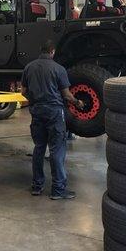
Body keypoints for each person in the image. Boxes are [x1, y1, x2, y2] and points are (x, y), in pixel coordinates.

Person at [21, 40, 84, 200]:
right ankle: (58, 190)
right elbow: (67, 95)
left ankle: (37, 186)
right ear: (53, 51)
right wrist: (78, 102)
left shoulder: (29, 67)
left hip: (36, 111)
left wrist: (35, 100)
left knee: (39, 147)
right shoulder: (59, 69)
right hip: (54, 112)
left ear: (41, 50)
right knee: (57, 150)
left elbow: (23, 92)